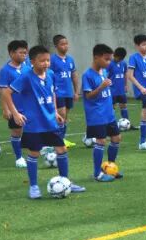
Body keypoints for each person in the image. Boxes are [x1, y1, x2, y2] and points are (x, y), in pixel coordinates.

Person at [7, 45, 85, 198]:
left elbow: (52, 93)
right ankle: (33, 186)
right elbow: (6, 93)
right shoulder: (26, 77)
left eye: (48, 60)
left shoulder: (50, 74)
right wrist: (15, 113)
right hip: (34, 125)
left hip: (50, 123)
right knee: (34, 153)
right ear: (32, 62)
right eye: (42, 61)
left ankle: (65, 181)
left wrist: (55, 111)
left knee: (62, 150)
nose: (46, 63)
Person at [81, 44, 123, 181]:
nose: (109, 62)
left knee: (116, 138)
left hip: (108, 114)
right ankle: (97, 174)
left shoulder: (103, 72)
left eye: (110, 59)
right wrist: (101, 87)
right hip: (96, 114)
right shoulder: (87, 75)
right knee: (101, 141)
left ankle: (110, 168)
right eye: (106, 59)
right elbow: (88, 96)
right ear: (96, 57)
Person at [0, 40, 30, 167]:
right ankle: (19, 158)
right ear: (11, 53)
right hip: (15, 107)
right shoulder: (5, 70)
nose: (24, 55)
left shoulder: (27, 68)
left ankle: (38, 150)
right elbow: (3, 91)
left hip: (29, 106)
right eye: (21, 52)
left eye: (25, 53)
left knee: (34, 128)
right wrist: (6, 109)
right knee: (17, 131)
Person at [127, 34, 146, 148]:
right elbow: (130, 75)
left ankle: (142, 142)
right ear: (137, 46)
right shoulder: (134, 58)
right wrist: (141, 88)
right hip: (142, 91)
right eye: (143, 45)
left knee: (145, 114)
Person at [50, 34, 79, 148]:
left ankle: (62, 139)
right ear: (56, 46)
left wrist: (76, 91)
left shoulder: (70, 59)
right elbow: (48, 75)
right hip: (58, 93)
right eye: (62, 44)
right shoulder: (52, 60)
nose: (65, 46)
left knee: (65, 117)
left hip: (68, 92)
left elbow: (74, 75)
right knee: (60, 115)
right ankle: (56, 141)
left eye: (66, 44)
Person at [109, 47, 130, 123]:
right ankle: (111, 124)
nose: (118, 59)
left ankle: (127, 123)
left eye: (120, 58)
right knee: (112, 106)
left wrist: (126, 85)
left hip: (121, 90)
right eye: (116, 57)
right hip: (112, 90)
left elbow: (125, 73)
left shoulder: (123, 63)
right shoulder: (109, 64)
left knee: (123, 105)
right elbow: (105, 76)